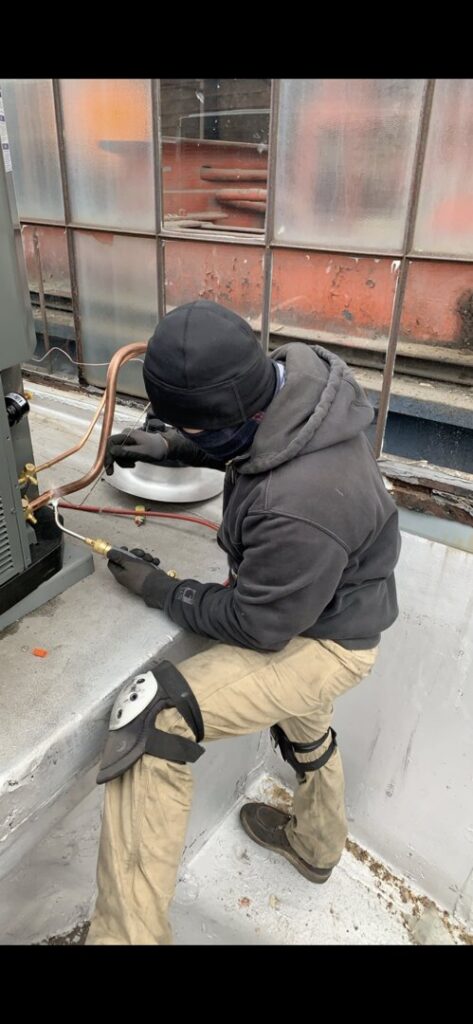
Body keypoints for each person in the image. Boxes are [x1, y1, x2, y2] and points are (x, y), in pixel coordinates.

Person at [86, 299, 400, 945]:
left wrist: (161, 588)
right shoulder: (297, 384)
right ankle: (315, 844)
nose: (191, 437)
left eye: (195, 429)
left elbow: (261, 628)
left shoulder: (302, 504)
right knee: (304, 718)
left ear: (238, 414)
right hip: (329, 606)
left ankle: (123, 935)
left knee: (154, 717)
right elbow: (254, 446)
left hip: (323, 641)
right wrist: (172, 444)